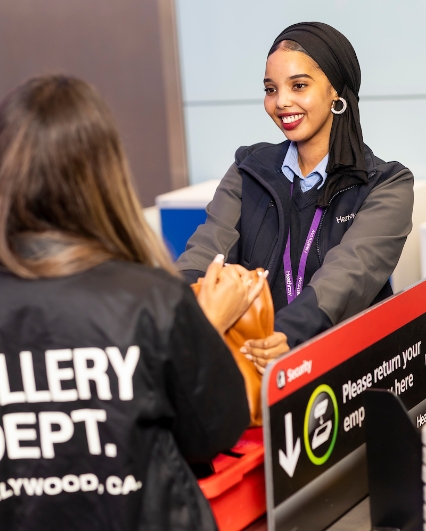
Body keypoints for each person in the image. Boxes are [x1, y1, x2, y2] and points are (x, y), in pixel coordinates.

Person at [0, 75, 267, 531]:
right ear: (104, 176)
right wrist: (206, 324)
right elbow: (213, 433)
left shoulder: (156, 299)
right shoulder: (154, 300)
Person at [176, 22, 414, 371]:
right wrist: (178, 312)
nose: (280, 102)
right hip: (255, 365)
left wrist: (287, 333)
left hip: (348, 378)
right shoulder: (249, 169)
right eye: (270, 89)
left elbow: (349, 275)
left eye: (298, 85)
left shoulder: (386, 183)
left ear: (336, 92)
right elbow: (204, 254)